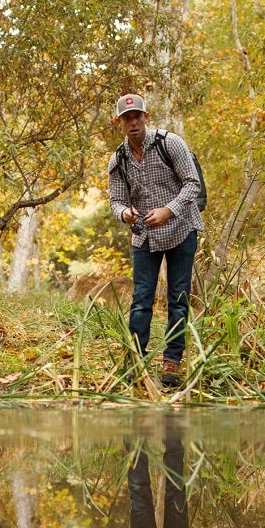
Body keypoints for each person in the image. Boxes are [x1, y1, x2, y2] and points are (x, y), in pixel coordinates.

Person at [106, 93, 203, 391]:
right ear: (119, 122)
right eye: (127, 118)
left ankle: (172, 362)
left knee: (178, 298)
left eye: (137, 116)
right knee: (141, 299)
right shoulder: (118, 160)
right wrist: (125, 213)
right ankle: (137, 359)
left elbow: (193, 184)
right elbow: (115, 201)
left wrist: (168, 210)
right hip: (144, 235)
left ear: (145, 117)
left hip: (181, 228)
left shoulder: (169, 143)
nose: (133, 122)